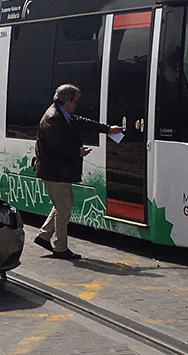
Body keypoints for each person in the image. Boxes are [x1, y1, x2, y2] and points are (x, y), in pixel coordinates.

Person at [33, 84, 123, 260]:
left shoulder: (61, 114)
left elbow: (81, 122)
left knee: (63, 205)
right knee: (64, 208)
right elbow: (56, 147)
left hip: (57, 170)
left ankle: (44, 236)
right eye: (75, 101)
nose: (77, 105)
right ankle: (60, 247)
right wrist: (77, 152)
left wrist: (107, 129)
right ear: (66, 101)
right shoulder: (52, 118)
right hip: (53, 171)